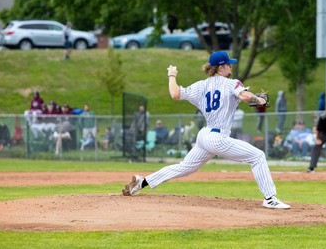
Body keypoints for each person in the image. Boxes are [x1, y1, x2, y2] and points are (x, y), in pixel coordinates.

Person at [122, 51, 290, 209]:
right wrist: (260, 100)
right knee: (258, 156)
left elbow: (175, 93)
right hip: (218, 138)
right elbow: (245, 96)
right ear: (221, 67)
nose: (231, 67)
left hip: (205, 135)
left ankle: (141, 182)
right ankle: (270, 199)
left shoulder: (200, 86)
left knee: (184, 167)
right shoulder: (233, 83)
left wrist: (172, 75)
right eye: (229, 65)